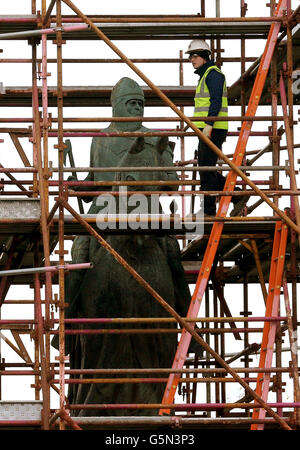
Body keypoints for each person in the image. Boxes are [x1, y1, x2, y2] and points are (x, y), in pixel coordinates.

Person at [185, 39, 249, 216]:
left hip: (212, 129)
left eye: (195, 56)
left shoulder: (214, 75)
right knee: (207, 169)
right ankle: (236, 195)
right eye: (191, 57)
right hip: (207, 129)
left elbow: (215, 101)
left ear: (205, 57)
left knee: (206, 170)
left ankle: (210, 211)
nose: (192, 60)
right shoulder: (206, 75)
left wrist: (209, 125)